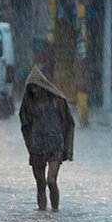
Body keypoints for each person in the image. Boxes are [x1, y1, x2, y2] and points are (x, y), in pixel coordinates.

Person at [19, 66, 75, 211]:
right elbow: (25, 124)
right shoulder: (29, 104)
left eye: (37, 87)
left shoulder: (57, 100)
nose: (35, 91)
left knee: (51, 181)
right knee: (40, 184)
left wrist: (65, 144)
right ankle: (42, 215)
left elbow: (67, 122)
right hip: (37, 145)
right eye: (31, 88)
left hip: (55, 144)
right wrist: (29, 144)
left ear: (43, 85)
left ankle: (55, 211)